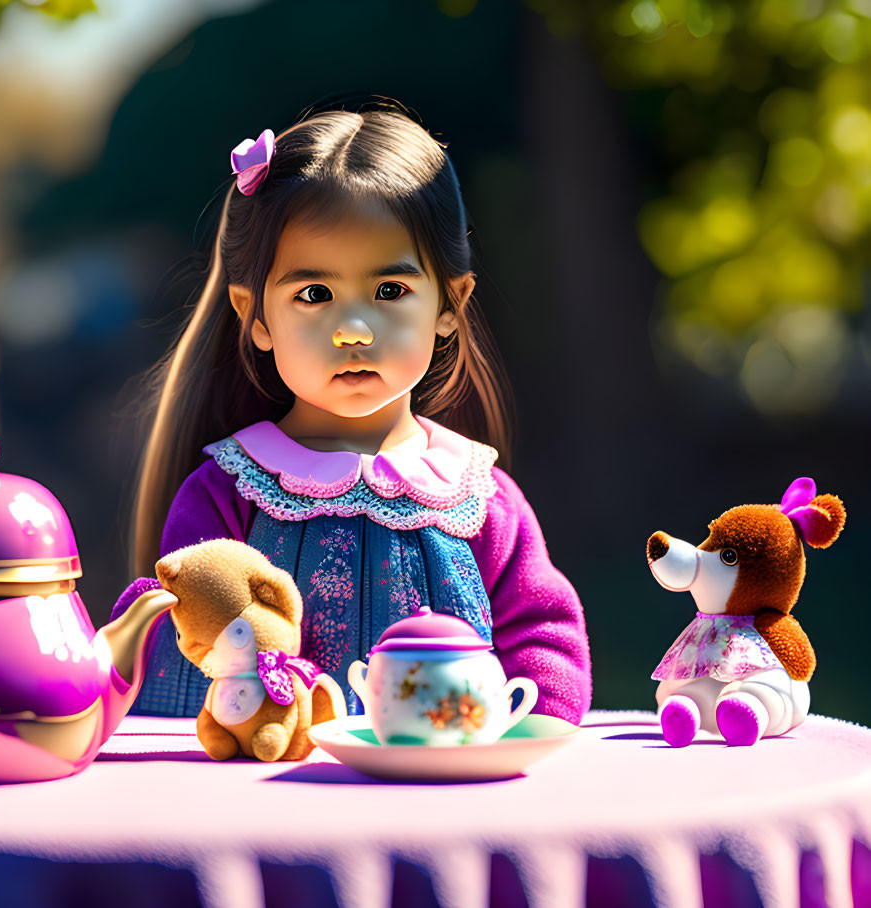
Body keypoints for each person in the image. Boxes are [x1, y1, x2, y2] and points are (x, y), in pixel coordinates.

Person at [110, 105, 591, 723]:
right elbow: (188, 641)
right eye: (313, 295)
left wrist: (536, 725)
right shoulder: (228, 492)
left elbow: (542, 632)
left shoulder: (479, 496)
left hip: (445, 791)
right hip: (267, 790)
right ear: (254, 314)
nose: (354, 330)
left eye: (391, 291)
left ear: (451, 301)